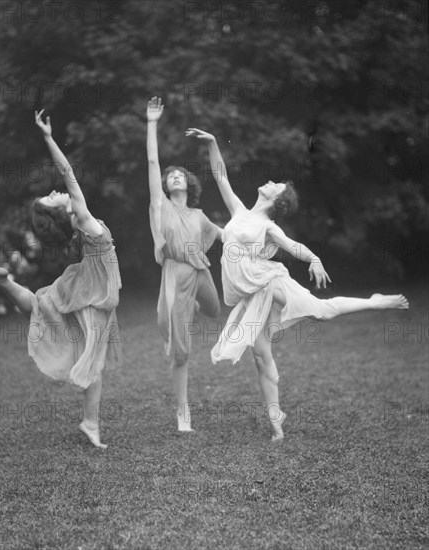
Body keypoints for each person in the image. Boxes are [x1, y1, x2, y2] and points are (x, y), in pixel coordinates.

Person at [187, 127, 409, 441]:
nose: (269, 182)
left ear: (277, 200)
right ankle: (276, 420)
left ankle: (373, 301)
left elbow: (293, 247)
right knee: (261, 357)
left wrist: (314, 259)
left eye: (274, 184)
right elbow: (220, 175)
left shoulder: (268, 225)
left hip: (266, 281)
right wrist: (212, 143)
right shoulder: (239, 210)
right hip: (251, 294)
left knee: (321, 311)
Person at [0, 110, 122, 449]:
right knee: (92, 360)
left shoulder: (78, 230)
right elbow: (68, 173)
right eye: (53, 199)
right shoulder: (85, 221)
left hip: (87, 284)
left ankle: (4, 282)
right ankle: (90, 424)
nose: (58, 193)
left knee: (43, 308)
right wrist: (47, 137)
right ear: (62, 212)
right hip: (93, 293)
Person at [146, 98, 222, 432]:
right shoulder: (160, 206)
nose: (175, 176)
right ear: (165, 186)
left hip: (200, 273)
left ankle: (187, 311)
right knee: (181, 353)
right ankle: (183, 413)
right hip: (175, 276)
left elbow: (226, 235)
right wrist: (152, 123)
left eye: (180, 175)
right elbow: (151, 161)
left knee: (216, 310)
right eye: (170, 175)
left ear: (188, 184)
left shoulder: (199, 215)